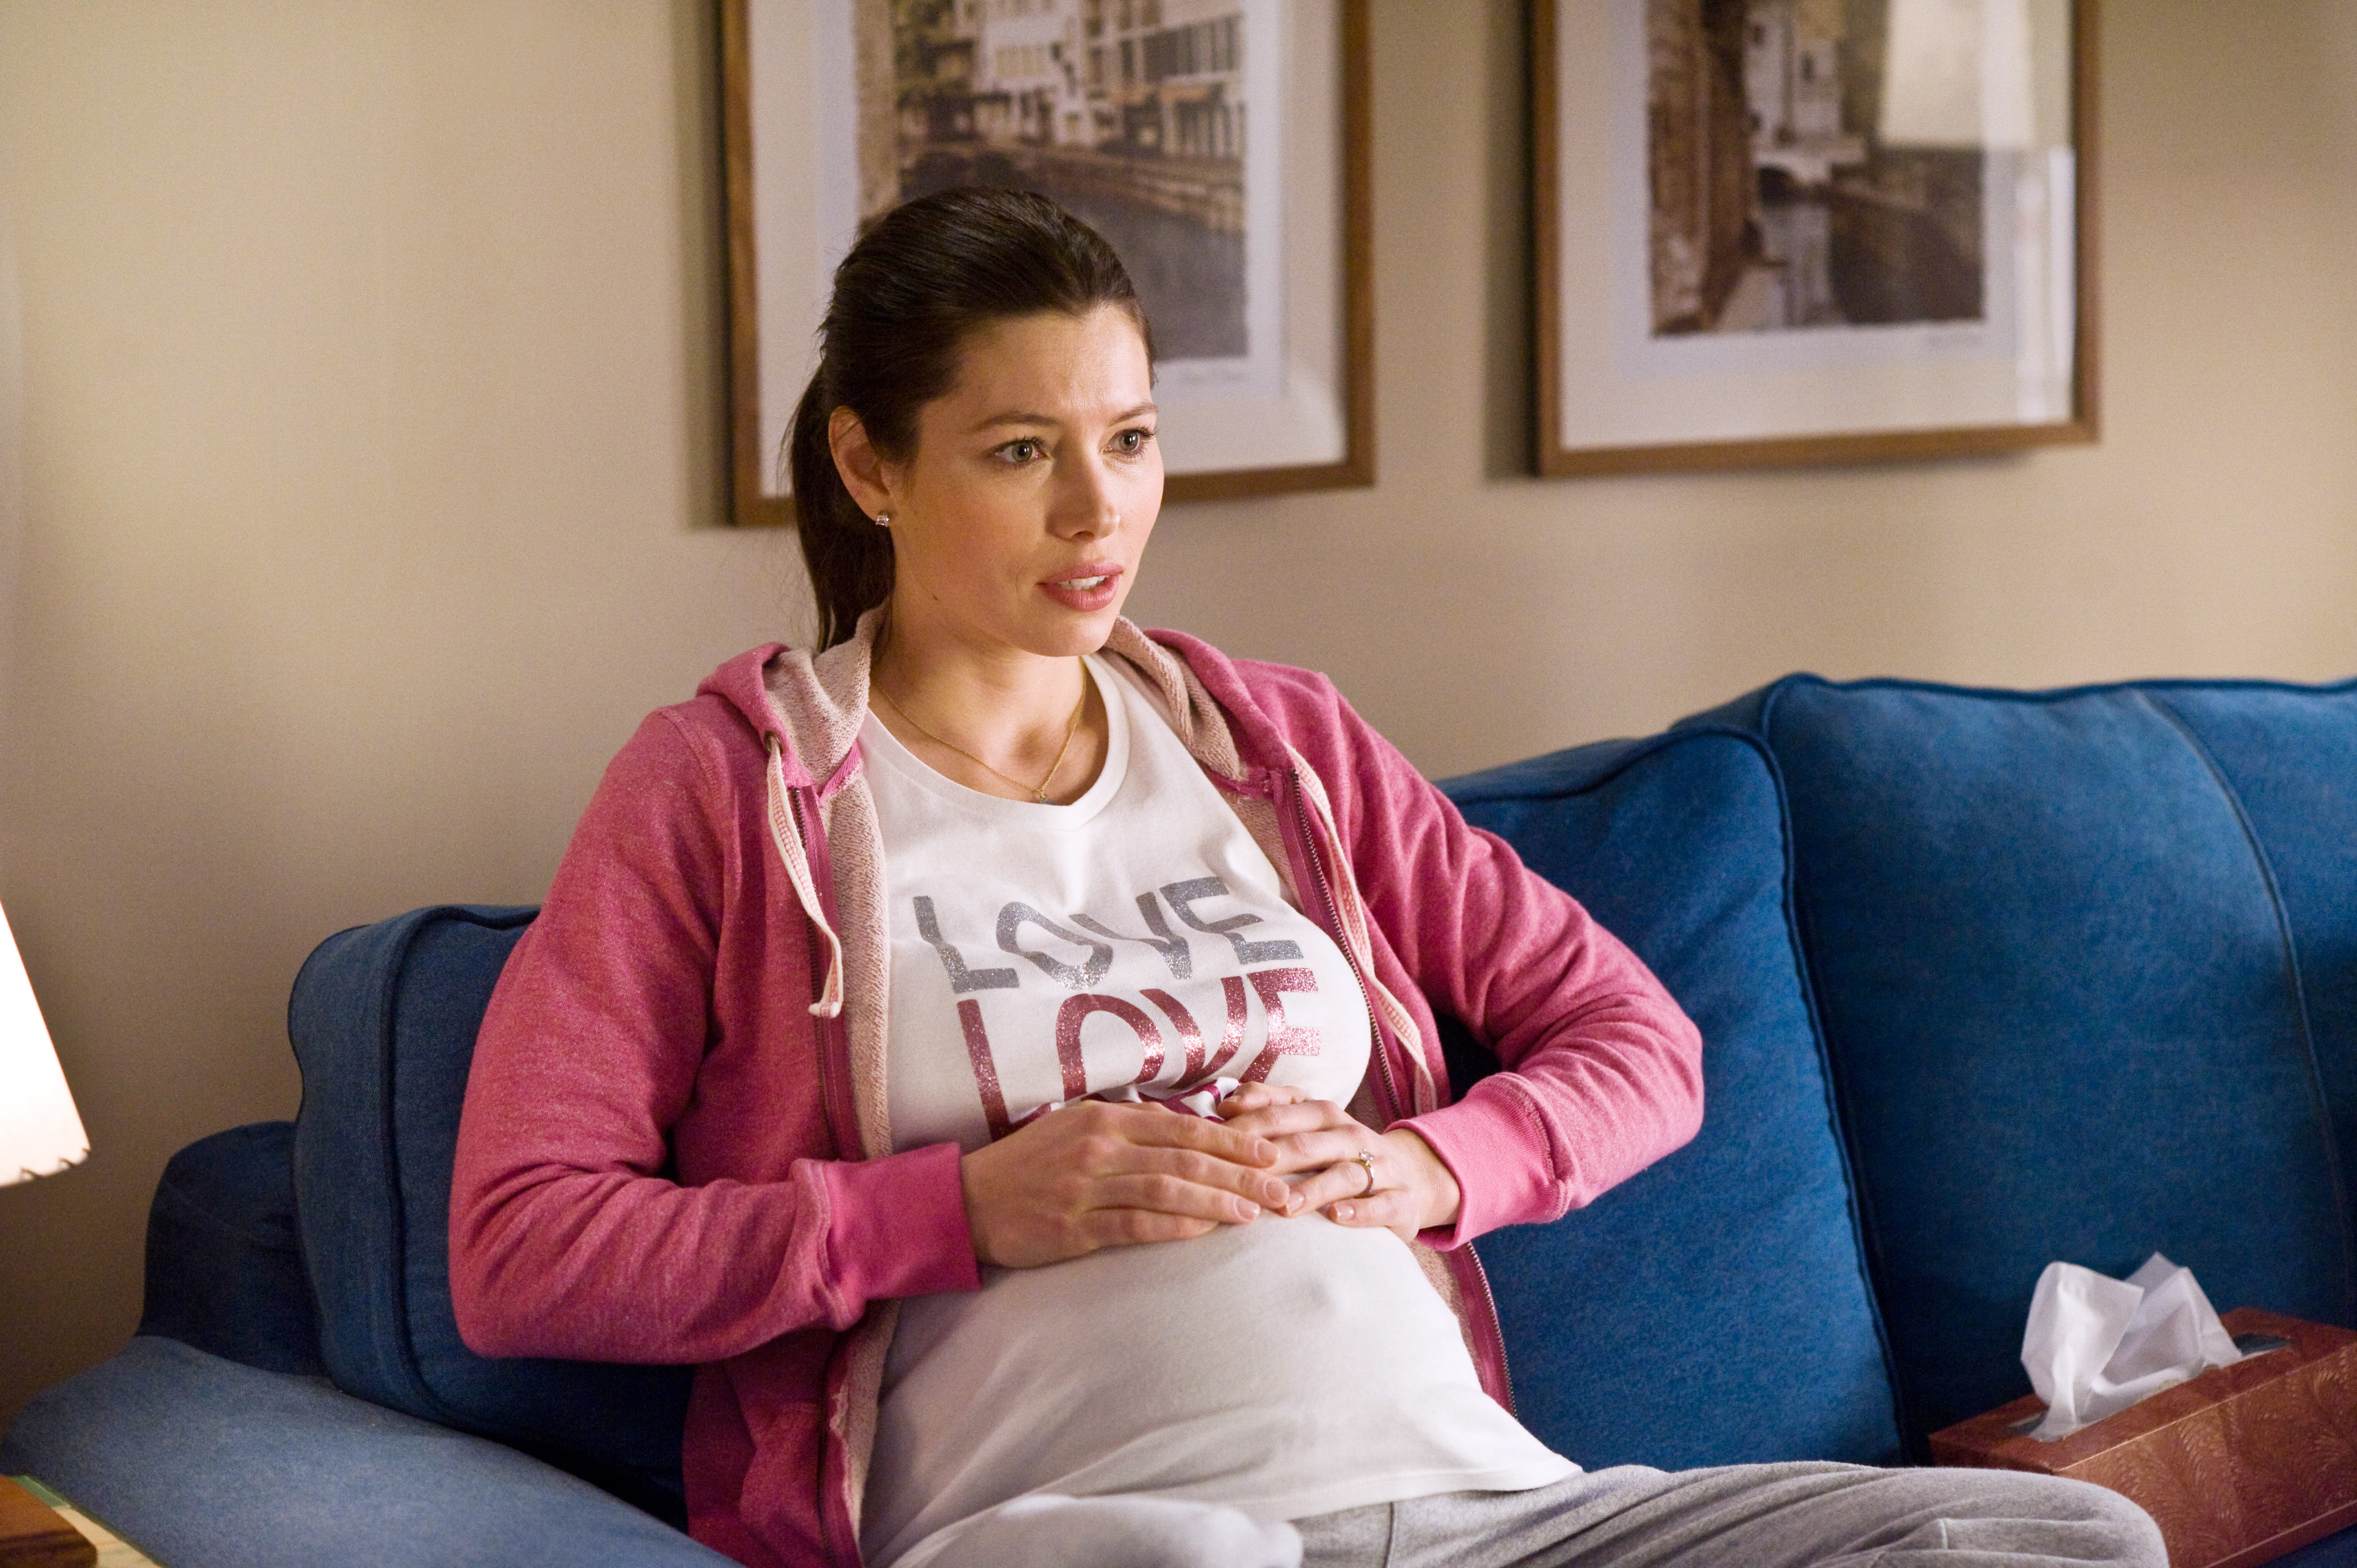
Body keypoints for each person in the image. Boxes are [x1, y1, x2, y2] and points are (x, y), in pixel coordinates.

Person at [448, 188, 2165, 1568]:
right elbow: (523, 1249)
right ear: (868, 465)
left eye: (1130, 438)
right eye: (1022, 451)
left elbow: (1640, 1043)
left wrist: (1425, 1167)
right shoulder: (726, 793)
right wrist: (958, 1212)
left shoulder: (1276, 745)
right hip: (1090, 1530)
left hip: (1487, 1508)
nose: (1099, 512)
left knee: (2071, 1539)